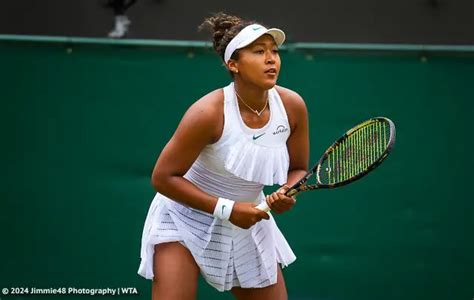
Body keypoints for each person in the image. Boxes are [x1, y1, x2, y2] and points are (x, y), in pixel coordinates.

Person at [138, 12, 309, 300]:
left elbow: (300, 167)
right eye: (259, 51)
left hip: (248, 219)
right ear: (233, 64)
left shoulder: (292, 106)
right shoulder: (208, 112)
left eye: (274, 51)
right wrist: (226, 209)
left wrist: (285, 191)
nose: (271, 59)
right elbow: (163, 178)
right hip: (184, 216)